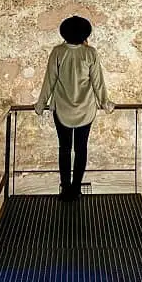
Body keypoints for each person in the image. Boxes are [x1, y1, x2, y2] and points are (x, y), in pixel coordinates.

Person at [35, 15, 114, 201]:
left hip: (61, 108)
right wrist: (105, 103)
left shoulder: (57, 52)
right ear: (84, 34)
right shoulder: (90, 53)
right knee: (81, 148)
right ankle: (76, 188)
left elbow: (49, 80)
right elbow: (98, 82)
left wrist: (40, 105)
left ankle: (65, 188)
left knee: (64, 148)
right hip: (86, 109)